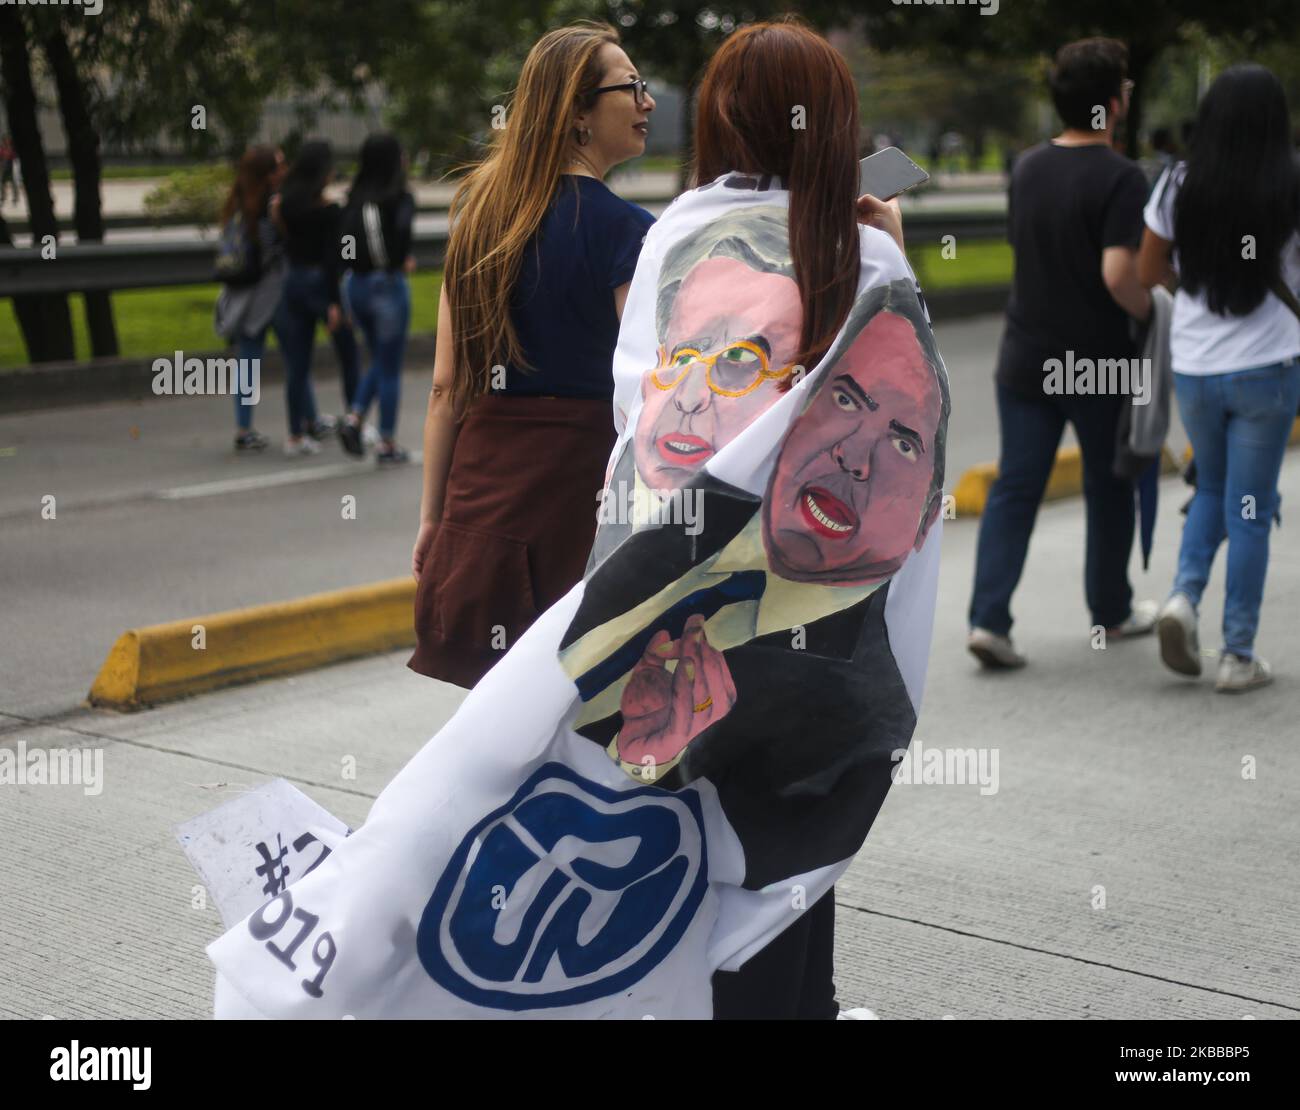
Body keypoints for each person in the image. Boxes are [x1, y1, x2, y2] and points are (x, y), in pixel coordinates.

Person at [407, 22, 657, 687]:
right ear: (578, 113)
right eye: (631, 87)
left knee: (498, 715)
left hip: (483, 495)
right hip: (582, 498)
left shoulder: (479, 222)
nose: (647, 102)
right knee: (580, 715)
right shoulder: (629, 233)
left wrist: (433, 521)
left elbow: (445, 389)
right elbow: (651, 393)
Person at [967, 38, 1157, 669]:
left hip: (1025, 355)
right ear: (1111, 103)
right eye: (1124, 86)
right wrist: (1156, 311)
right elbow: (1117, 275)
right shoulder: (1124, 177)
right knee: (1110, 487)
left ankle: (989, 620)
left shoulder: (1027, 167)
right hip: (1098, 363)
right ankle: (1111, 610)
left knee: (1016, 487)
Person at [1139, 65, 1300, 693]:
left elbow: (1151, 266)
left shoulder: (1180, 180)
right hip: (1270, 369)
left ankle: (1182, 597)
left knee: (1210, 488)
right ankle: (1236, 654)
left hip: (1197, 367)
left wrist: (1200, 297)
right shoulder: (1291, 181)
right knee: (1252, 509)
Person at [274, 140, 362, 456]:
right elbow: (332, 259)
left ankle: (295, 435)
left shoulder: (285, 205)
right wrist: (335, 302)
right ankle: (356, 418)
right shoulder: (329, 212)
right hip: (320, 285)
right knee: (348, 356)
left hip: (292, 282)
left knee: (297, 364)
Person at [335, 133, 416, 465]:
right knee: (390, 366)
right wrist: (400, 260)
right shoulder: (399, 197)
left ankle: (355, 419)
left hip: (356, 286)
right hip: (387, 285)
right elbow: (402, 238)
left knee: (378, 359)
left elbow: (342, 246)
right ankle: (386, 442)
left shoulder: (353, 198)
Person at [213, 144, 287, 452]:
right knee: (295, 356)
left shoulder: (237, 205)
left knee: (247, 362)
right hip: (269, 294)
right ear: (268, 174)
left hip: (241, 296)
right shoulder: (269, 209)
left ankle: (243, 427)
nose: (285, 170)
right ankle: (307, 423)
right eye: (279, 165)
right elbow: (278, 248)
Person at [0, 135, 16, 206]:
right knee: (3, 183)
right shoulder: (2, 149)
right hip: (4, 168)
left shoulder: (12, 149)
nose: (6, 142)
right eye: (5, 140)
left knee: (13, 183)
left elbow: (14, 157)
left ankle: (15, 197)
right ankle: (3, 196)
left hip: (11, 167)